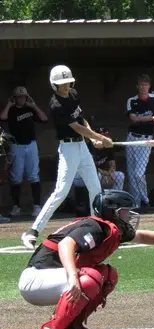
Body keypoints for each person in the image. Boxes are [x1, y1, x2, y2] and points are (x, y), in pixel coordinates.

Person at [17, 189, 154, 329]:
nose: (130, 215)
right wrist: (72, 276)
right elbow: (66, 245)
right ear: (114, 212)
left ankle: (73, 326)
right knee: (91, 277)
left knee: (108, 275)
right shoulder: (94, 226)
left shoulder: (107, 227)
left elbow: (141, 236)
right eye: (126, 211)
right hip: (36, 279)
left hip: (50, 278)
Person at [21, 65, 113, 250]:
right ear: (54, 85)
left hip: (82, 146)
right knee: (61, 192)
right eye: (61, 84)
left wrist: (92, 137)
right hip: (68, 149)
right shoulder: (56, 104)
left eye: (67, 82)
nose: (66, 86)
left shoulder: (73, 94)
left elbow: (82, 119)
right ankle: (32, 231)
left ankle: (100, 229)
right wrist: (101, 138)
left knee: (95, 189)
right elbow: (76, 127)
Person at [0, 86, 48, 218]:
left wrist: (34, 106)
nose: (21, 99)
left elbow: (44, 119)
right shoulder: (11, 110)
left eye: (23, 97)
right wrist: (9, 104)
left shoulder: (30, 109)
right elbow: (2, 117)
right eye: (18, 97)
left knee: (34, 175)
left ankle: (37, 206)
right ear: (14, 98)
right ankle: (16, 206)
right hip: (16, 146)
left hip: (31, 144)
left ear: (26, 98)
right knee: (16, 177)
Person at [125, 74, 154, 208]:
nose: (143, 87)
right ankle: (136, 203)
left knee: (139, 173)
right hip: (132, 137)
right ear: (137, 86)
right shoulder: (132, 100)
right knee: (132, 174)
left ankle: (145, 200)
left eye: (145, 84)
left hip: (146, 139)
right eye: (141, 85)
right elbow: (134, 119)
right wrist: (152, 118)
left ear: (149, 86)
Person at [72, 126, 125, 216]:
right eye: (102, 135)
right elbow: (92, 168)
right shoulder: (89, 147)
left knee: (120, 175)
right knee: (97, 175)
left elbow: (112, 164)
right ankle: (100, 205)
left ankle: (115, 203)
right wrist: (105, 174)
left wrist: (110, 173)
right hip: (93, 175)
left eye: (106, 135)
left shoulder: (108, 148)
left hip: (106, 175)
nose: (104, 137)